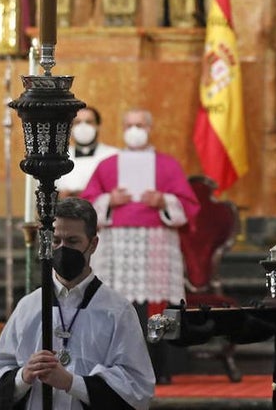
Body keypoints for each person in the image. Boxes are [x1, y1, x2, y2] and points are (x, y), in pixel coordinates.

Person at [0, 197, 155, 409]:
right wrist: (24, 376)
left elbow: (138, 389)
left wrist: (71, 383)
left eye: (72, 241)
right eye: (56, 241)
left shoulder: (117, 310)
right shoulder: (29, 306)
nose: (63, 249)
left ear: (93, 244)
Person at [81, 109, 199, 382]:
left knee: (155, 306)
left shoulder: (168, 165)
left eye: (140, 125)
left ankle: (159, 369)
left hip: (156, 243)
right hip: (115, 244)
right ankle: (115, 364)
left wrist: (163, 201)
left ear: (150, 128)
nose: (135, 130)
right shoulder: (108, 165)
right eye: (129, 125)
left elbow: (189, 206)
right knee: (115, 301)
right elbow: (89, 205)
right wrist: (109, 200)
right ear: (122, 129)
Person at [58, 106, 119, 197]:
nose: (83, 127)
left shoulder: (113, 155)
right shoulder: (58, 157)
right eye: (77, 122)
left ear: (98, 126)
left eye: (89, 122)